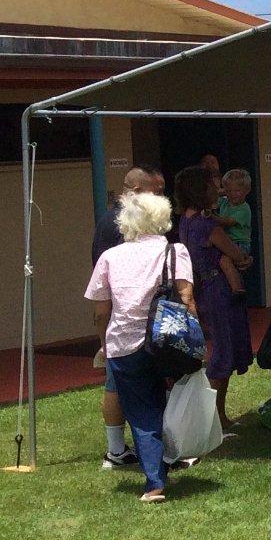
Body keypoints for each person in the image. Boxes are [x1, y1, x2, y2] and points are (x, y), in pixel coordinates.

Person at [85, 190, 194, 501]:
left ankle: (155, 481)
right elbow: (187, 299)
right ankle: (171, 457)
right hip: (169, 340)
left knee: (142, 413)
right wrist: (197, 338)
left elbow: (101, 310)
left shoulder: (110, 257)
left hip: (124, 343)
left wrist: (103, 342)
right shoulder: (177, 252)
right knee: (168, 402)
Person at [92, 166, 165, 470]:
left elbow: (100, 291)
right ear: (135, 191)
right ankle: (126, 451)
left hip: (120, 324)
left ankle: (117, 450)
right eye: (152, 191)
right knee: (128, 387)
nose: (157, 198)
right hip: (138, 321)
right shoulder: (120, 224)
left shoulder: (107, 221)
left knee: (120, 386)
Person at [175, 166, 252, 428]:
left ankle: (219, 416)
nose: (217, 190)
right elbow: (236, 254)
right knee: (223, 351)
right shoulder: (208, 226)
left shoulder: (185, 221)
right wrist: (242, 259)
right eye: (212, 185)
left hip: (201, 287)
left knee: (219, 347)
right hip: (218, 289)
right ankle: (214, 418)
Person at [214, 169, 255, 300]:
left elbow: (228, 222)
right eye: (229, 191)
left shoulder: (244, 208)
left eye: (237, 191)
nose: (233, 194)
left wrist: (210, 217)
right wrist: (221, 191)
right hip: (229, 241)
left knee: (225, 261)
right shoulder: (225, 202)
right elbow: (213, 197)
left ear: (246, 191)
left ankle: (237, 288)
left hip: (240, 243)